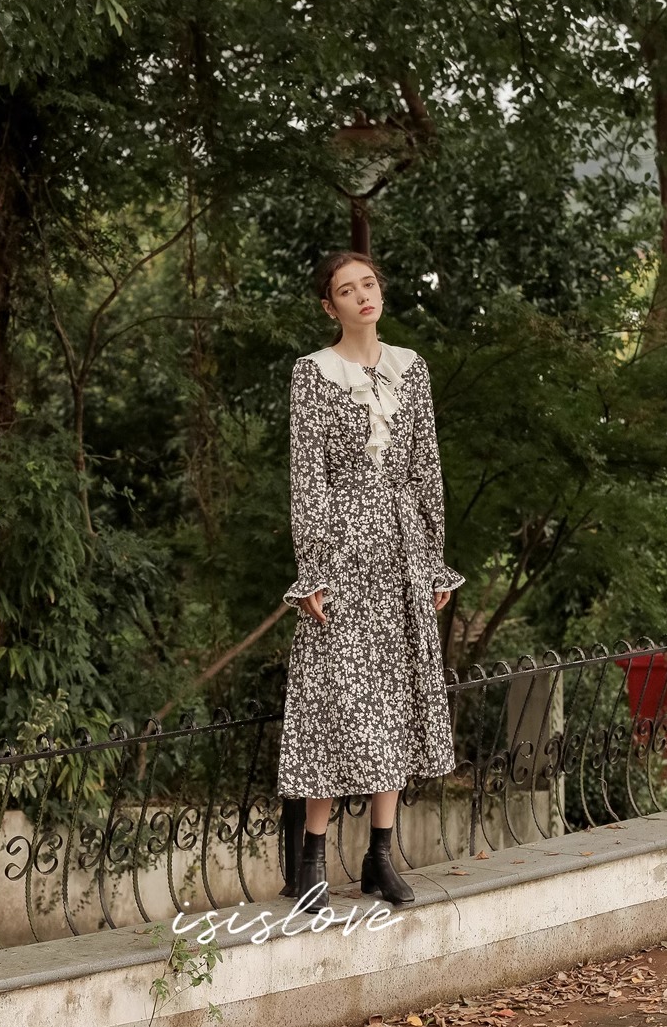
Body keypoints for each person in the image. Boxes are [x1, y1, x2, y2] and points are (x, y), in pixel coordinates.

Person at [276, 250, 465, 915]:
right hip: (343, 552)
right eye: (346, 289)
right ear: (328, 305)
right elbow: (308, 476)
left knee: (398, 695)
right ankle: (311, 856)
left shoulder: (412, 368)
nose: (362, 295)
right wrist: (314, 568)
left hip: (404, 551)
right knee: (334, 700)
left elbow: (425, 468)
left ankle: (380, 854)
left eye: (369, 283)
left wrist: (433, 557)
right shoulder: (312, 374)